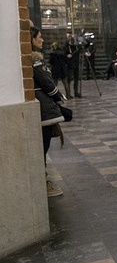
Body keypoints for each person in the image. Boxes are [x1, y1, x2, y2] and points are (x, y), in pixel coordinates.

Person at [31, 26, 65, 197]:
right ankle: (42, 182)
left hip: (43, 107)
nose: (42, 39)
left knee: (43, 147)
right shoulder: (34, 60)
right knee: (42, 147)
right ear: (31, 39)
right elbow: (46, 81)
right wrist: (58, 97)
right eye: (39, 36)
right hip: (43, 109)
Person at [64, 33, 82, 98]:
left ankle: (76, 92)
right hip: (70, 63)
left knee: (76, 78)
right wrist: (67, 55)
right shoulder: (66, 44)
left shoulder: (76, 45)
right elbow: (65, 52)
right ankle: (68, 93)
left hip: (76, 62)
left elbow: (80, 49)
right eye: (69, 36)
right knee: (69, 78)